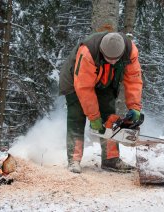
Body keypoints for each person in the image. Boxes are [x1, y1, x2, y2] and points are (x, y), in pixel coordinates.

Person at [59, 32, 143, 173]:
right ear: (102, 52)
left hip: (105, 82)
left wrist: (134, 107)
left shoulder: (130, 52)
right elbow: (84, 88)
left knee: (110, 117)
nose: (113, 62)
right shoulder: (88, 53)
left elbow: (133, 79)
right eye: (109, 59)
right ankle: (74, 160)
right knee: (77, 116)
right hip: (75, 83)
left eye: (116, 59)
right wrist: (93, 117)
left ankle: (111, 159)